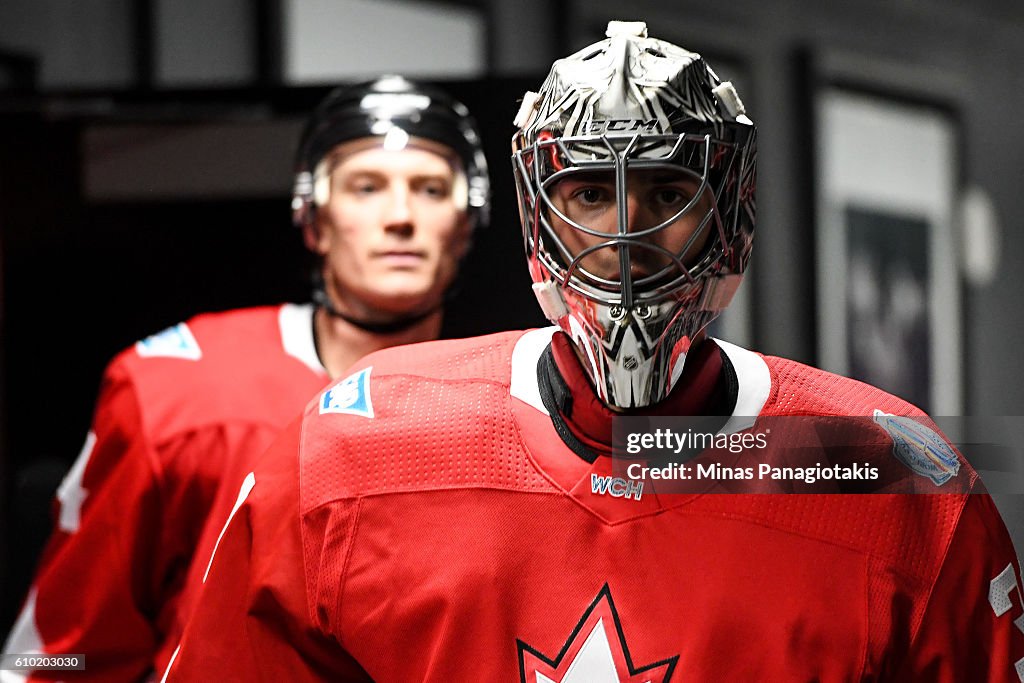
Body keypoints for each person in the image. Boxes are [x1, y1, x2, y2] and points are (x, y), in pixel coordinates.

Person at [163, 22, 1024, 681]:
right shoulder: (349, 446)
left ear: (732, 211)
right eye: (587, 188)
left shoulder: (897, 476)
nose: (625, 230)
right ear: (538, 214)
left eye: (666, 189)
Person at [1, 75, 490, 682]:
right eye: (367, 187)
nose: (400, 217)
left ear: (467, 222)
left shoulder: (520, 398)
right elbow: (62, 656)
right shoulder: (176, 388)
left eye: (430, 189)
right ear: (313, 219)